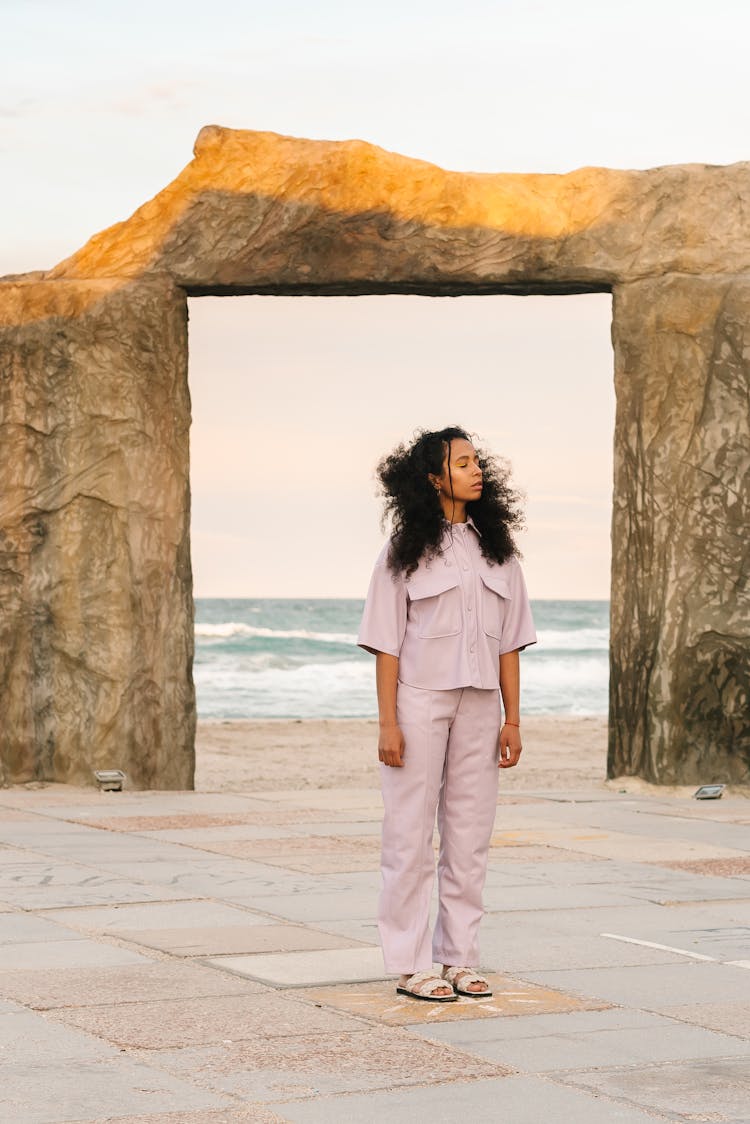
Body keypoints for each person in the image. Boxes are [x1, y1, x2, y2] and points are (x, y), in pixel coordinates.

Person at [357, 426, 536, 1002]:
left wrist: (512, 718)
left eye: (477, 461)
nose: (476, 469)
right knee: (409, 837)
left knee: (468, 838)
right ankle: (411, 963)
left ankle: (459, 957)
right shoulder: (403, 552)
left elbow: (509, 643)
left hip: (482, 706)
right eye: (462, 463)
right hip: (420, 702)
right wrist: (389, 723)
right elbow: (386, 643)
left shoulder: (499, 552)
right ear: (434, 478)